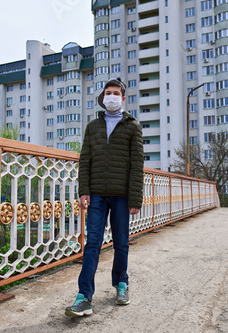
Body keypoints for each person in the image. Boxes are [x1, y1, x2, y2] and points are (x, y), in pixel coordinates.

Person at [65, 77, 144, 317]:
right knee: (92, 244)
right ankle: (84, 297)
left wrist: (135, 199)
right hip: (97, 194)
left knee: (121, 243)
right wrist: (84, 190)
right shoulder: (93, 126)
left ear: (123, 98)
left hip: (121, 196)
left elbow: (136, 165)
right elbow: (85, 160)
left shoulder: (132, 126)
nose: (111, 96)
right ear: (103, 97)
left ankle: (121, 284)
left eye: (115, 92)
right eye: (107, 92)